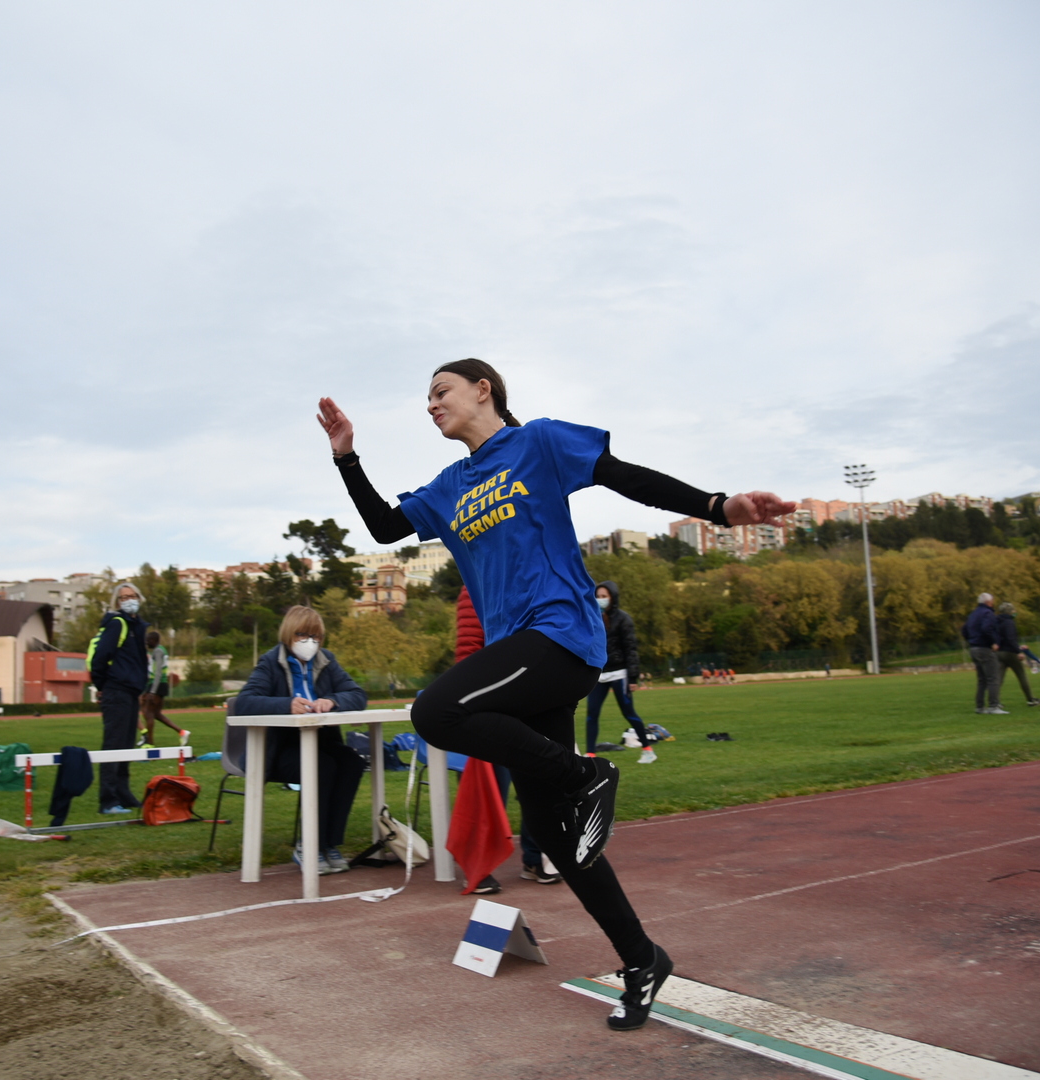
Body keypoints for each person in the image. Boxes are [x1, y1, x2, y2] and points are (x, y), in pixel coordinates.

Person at [318, 358, 794, 1030]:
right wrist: (346, 456)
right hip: (519, 659)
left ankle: (586, 773)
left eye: (441, 391)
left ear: (483, 390)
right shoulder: (451, 485)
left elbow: (624, 476)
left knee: (436, 711)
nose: (430, 405)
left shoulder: (537, 442)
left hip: (560, 635)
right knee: (552, 830)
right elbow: (385, 527)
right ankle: (642, 958)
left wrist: (716, 508)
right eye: (426, 398)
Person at [231, 605, 368, 874]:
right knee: (321, 766)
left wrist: (332, 701)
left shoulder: (326, 661)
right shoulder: (270, 662)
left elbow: (357, 694)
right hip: (277, 750)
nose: (309, 642)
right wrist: (286, 705)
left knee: (352, 762)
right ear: (289, 634)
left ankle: (329, 844)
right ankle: (309, 845)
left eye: (315, 636)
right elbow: (245, 702)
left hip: (320, 743)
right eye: (302, 635)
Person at [456, 586, 556, 893]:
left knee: (540, 778)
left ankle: (536, 858)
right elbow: (468, 646)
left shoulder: (534, 582)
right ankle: (478, 865)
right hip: (490, 699)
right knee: (490, 782)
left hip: (532, 695)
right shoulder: (475, 584)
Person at [88, 583, 149, 814]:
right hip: (116, 691)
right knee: (113, 744)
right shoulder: (117, 624)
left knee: (126, 744)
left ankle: (123, 793)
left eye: (133, 596)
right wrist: (103, 685)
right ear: (117, 602)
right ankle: (108, 800)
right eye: (124, 597)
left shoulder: (137, 626)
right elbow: (100, 657)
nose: (129, 600)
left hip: (130, 692)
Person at [586, 581, 655, 761]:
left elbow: (631, 649)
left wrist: (632, 678)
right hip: (599, 673)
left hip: (620, 673)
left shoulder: (624, 619)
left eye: (604, 596)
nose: (600, 599)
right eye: (597, 596)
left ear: (612, 597)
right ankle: (590, 754)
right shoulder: (592, 618)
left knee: (628, 713)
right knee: (592, 714)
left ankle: (648, 750)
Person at [139, 630, 189, 746]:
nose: (147, 643)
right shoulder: (161, 650)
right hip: (159, 685)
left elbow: (158, 672)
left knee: (148, 714)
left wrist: (152, 691)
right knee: (156, 714)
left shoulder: (158, 651)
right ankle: (182, 732)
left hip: (156, 685)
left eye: (148, 641)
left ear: (153, 640)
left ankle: (150, 743)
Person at [963, 593, 1006, 715]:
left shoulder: (973, 614)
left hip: (974, 648)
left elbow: (964, 630)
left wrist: (972, 640)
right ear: (989, 602)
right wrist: (993, 642)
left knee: (982, 679)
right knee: (993, 677)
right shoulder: (988, 613)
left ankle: (980, 706)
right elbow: (987, 628)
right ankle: (993, 706)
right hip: (984, 648)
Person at [994, 603, 1040, 707]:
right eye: (1013, 610)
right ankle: (1030, 699)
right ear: (1008, 611)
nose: (1014, 612)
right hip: (1010, 653)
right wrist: (1018, 651)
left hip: (999, 653)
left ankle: (995, 701)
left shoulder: (997, 622)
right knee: (1021, 675)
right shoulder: (1009, 622)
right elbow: (1011, 639)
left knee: (998, 678)